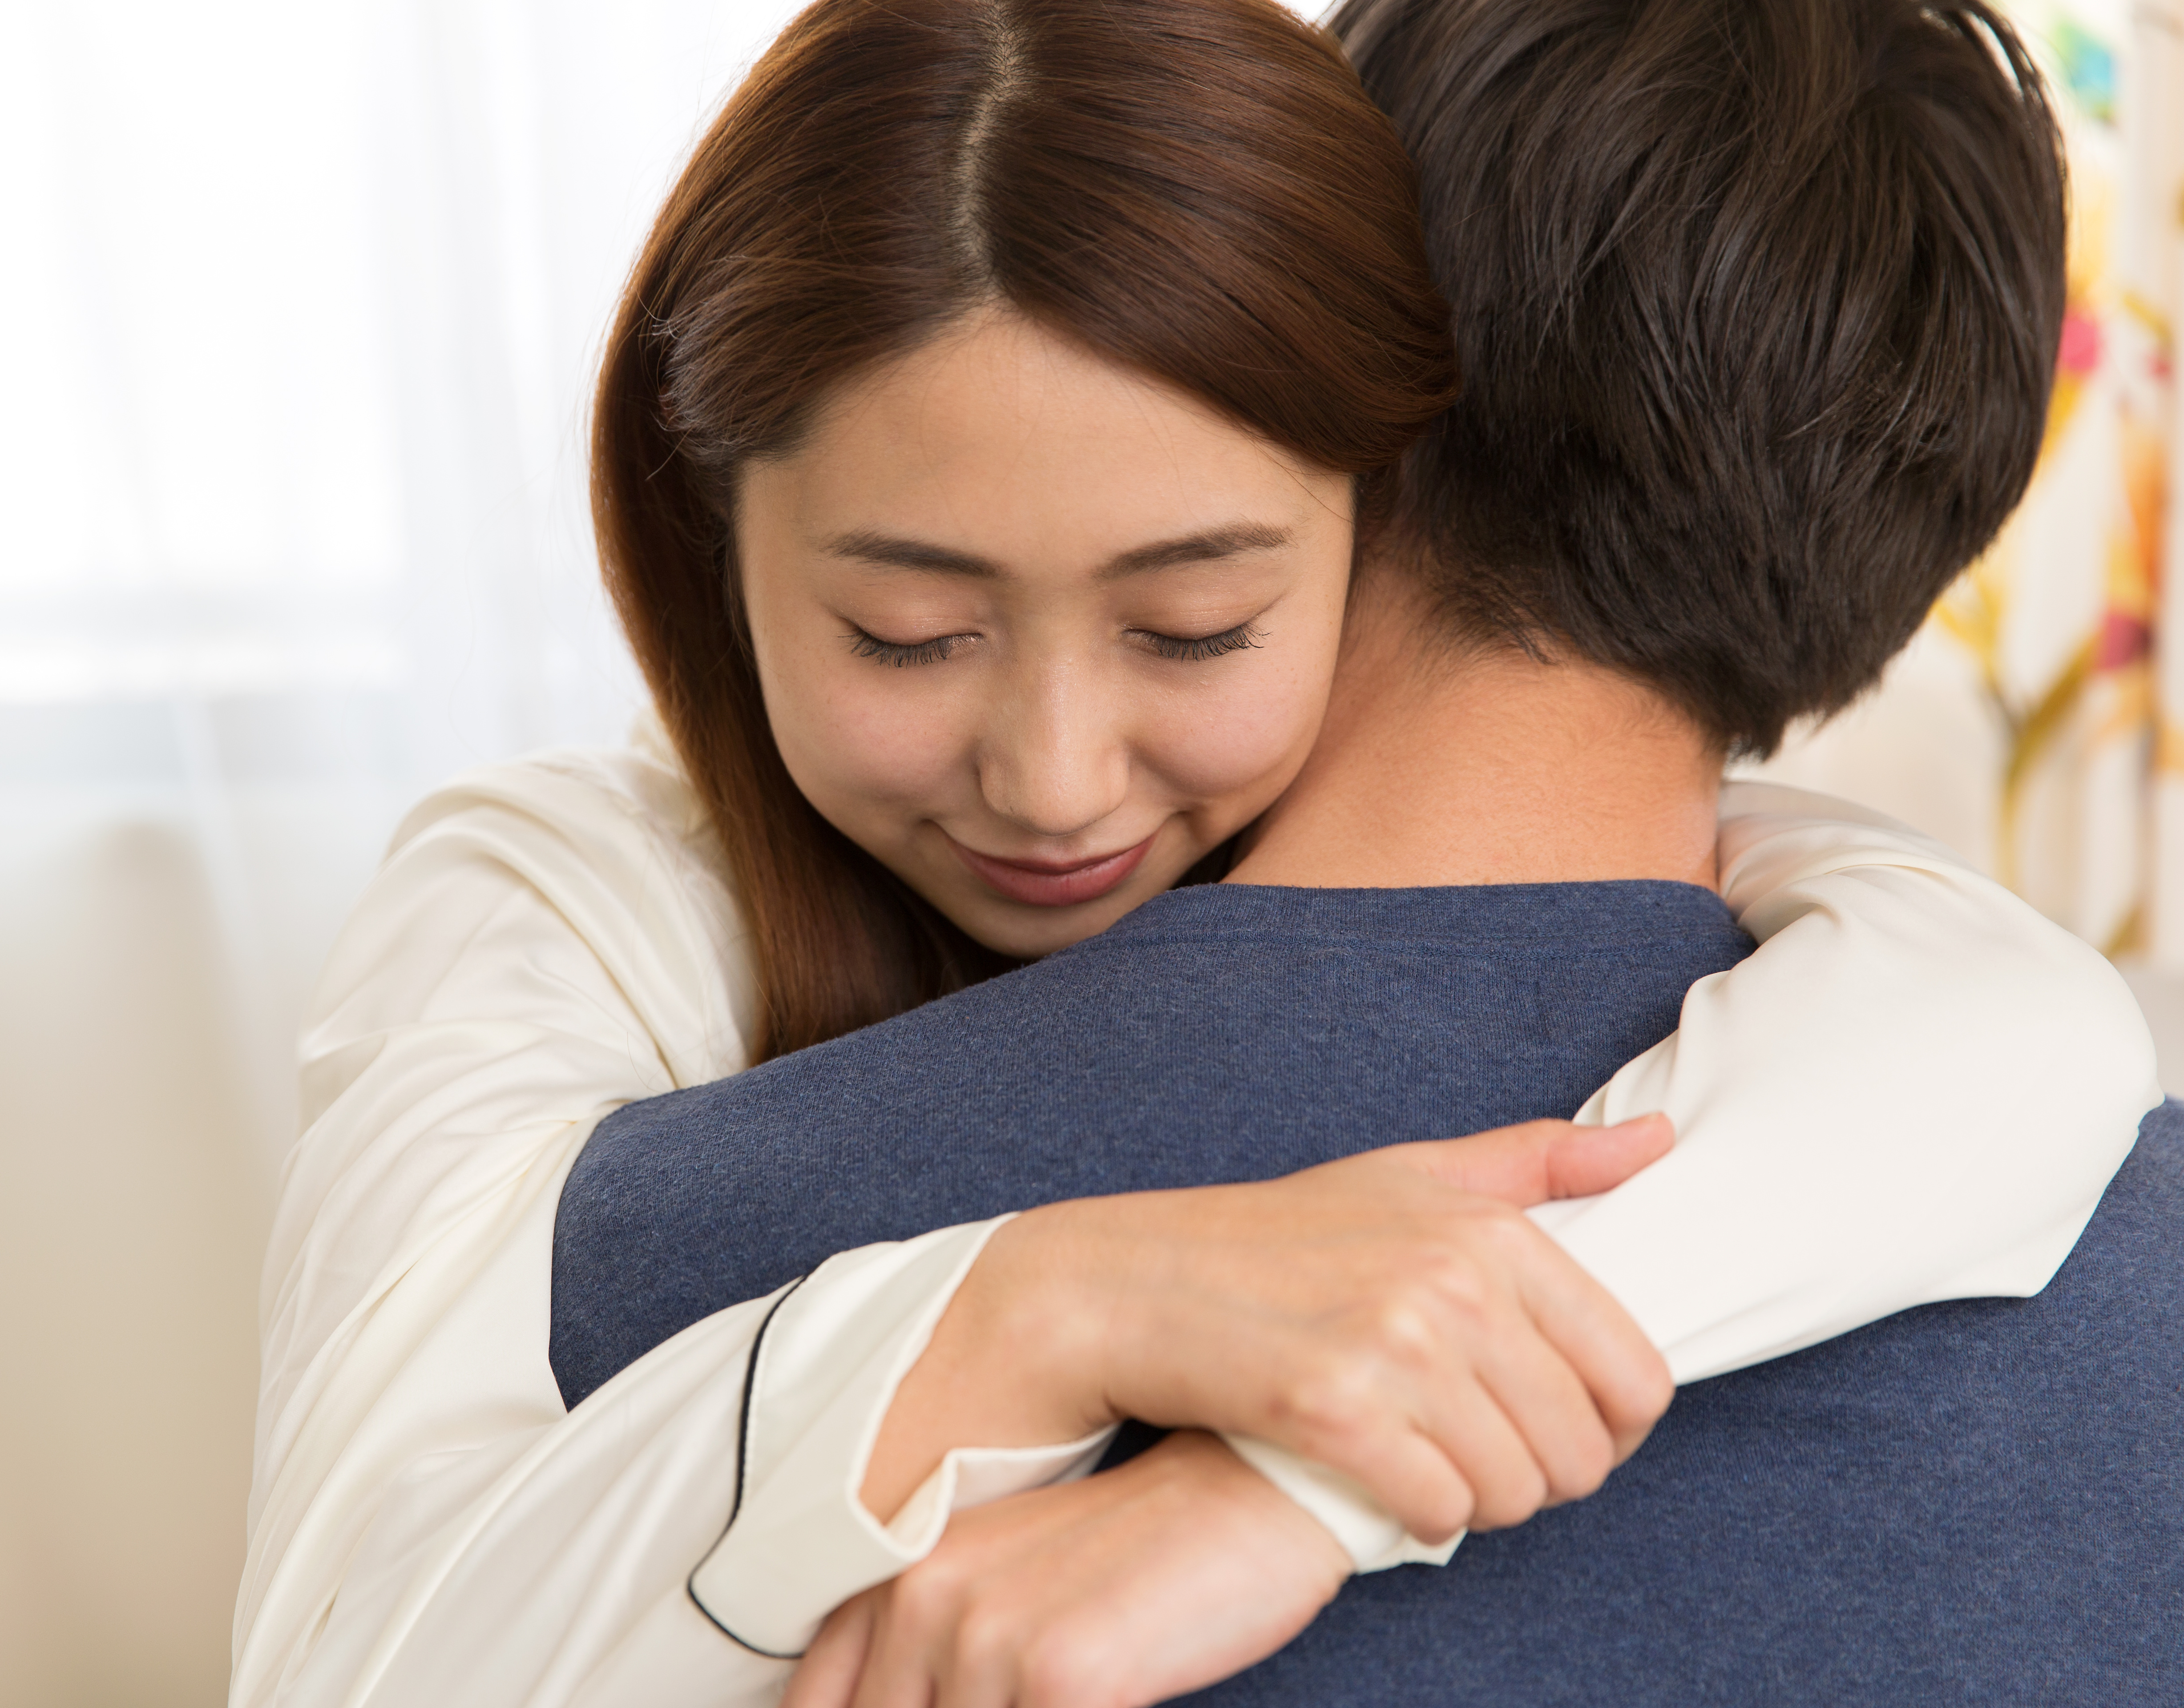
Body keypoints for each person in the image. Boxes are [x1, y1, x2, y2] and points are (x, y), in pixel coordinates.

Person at [226, 3, 2157, 1705]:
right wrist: (1043, 1306)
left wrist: (1292, 1488)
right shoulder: (560, 920)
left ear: (1370, 421)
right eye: (906, 634)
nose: (1057, 787)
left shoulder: (649, 1263)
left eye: (1192, 625)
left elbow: (2014, 1015)